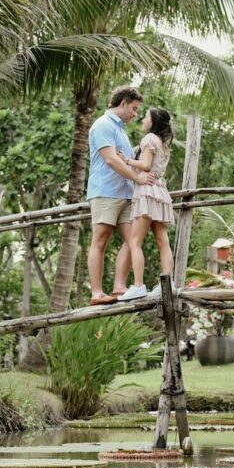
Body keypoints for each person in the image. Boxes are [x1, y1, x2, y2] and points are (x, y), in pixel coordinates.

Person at [86, 86, 158, 305]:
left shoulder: (120, 131)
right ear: (123, 103)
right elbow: (110, 159)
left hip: (126, 194)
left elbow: (127, 160)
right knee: (100, 239)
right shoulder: (102, 125)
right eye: (134, 109)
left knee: (133, 240)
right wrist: (137, 179)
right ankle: (97, 293)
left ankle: (119, 288)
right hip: (105, 192)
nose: (136, 114)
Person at [118, 107, 175, 301]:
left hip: (146, 192)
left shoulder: (149, 139)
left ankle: (138, 285)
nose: (142, 120)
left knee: (135, 241)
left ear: (153, 122)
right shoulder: (163, 144)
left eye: (145, 117)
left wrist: (126, 160)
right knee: (162, 239)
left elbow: (146, 165)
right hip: (160, 191)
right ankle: (168, 281)